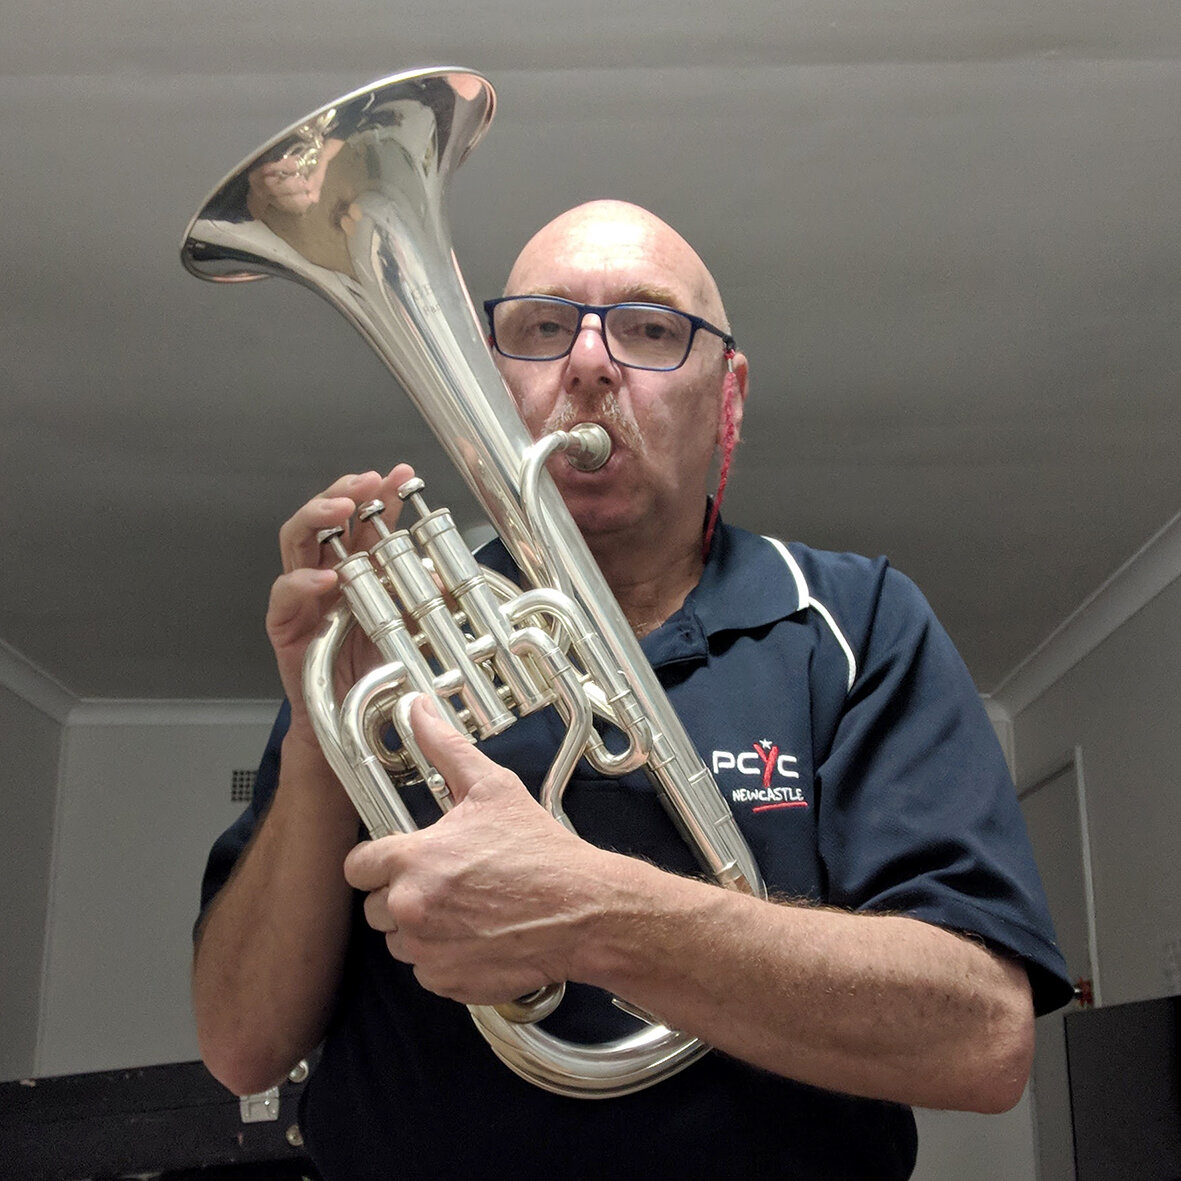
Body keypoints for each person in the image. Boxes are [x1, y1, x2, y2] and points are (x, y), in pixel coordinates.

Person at [194, 199, 1073, 1180]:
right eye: (542, 326)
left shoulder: (854, 619)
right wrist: (319, 739)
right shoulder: (387, 636)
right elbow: (241, 1047)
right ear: (494, 381)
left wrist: (590, 910)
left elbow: (982, 1039)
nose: (588, 362)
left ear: (727, 394)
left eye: (650, 328)